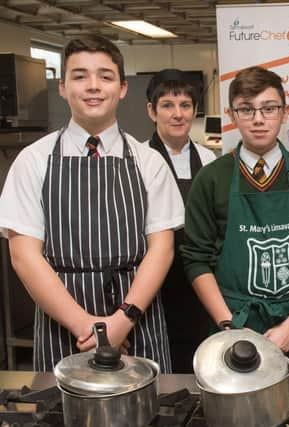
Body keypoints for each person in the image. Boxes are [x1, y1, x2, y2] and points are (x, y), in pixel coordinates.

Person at [0, 34, 183, 372]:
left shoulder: (149, 162)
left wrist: (123, 319)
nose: (93, 86)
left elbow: (162, 249)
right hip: (63, 328)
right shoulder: (33, 161)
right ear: (62, 87)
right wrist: (87, 326)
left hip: (136, 323)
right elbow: (23, 255)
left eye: (105, 76)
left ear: (123, 88)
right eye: (80, 75)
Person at [182, 66, 289, 374]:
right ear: (232, 115)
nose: (258, 119)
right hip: (231, 323)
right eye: (246, 109)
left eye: (269, 108)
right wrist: (230, 325)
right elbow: (196, 259)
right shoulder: (211, 179)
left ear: (284, 113)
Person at [144, 69, 217, 373]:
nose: (177, 114)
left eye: (185, 105)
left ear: (195, 111)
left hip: (200, 284)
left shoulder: (210, 160)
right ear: (151, 111)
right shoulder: (140, 159)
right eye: (167, 106)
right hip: (155, 287)